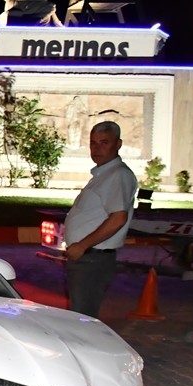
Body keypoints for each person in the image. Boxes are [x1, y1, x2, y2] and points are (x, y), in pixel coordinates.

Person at [63, 120, 138, 318]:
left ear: (118, 144)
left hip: (93, 258)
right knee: (80, 314)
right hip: (87, 257)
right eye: (93, 143)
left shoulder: (117, 175)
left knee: (83, 317)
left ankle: (84, 348)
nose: (97, 148)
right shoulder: (103, 174)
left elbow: (118, 218)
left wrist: (82, 245)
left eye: (104, 142)